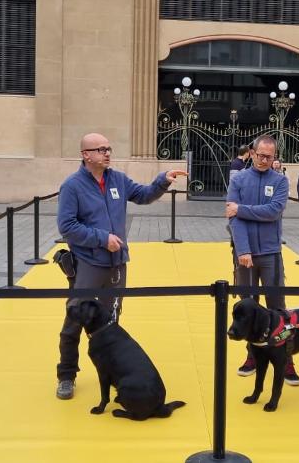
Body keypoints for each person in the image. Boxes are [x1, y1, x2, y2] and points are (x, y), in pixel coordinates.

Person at [55, 133, 187, 400]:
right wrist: (102, 239)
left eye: (108, 148)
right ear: (86, 155)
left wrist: (162, 181)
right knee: (74, 320)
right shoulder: (72, 186)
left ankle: (113, 372)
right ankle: (66, 375)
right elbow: (66, 226)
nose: (107, 153)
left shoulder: (117, 179)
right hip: (89, 264)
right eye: (101, 149)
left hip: (116, 264)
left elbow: (144, 195)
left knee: (111, 323)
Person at [227, 136, 299, 385]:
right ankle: (253, 357)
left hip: (271, 254)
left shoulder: (280, 181)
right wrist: (243, 251)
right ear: (252, 152)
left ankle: (287, 359)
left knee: (279, 308)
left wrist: (242, 209)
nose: (264, 160)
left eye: (269, 157)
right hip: (245, 255)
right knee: (248, 308)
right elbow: (233, 219)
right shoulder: (238, 179)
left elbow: (274, 211)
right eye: (260, 155)